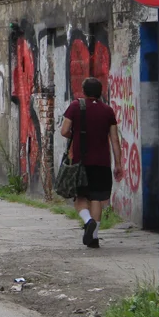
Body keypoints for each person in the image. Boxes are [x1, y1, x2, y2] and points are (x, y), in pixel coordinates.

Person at [60, 77, 124, 248]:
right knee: (97, 199)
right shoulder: (108, 111)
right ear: (100, 91)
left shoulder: (76, 106)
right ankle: (94, 238)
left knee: (81, 197)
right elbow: (115, 140)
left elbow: (64, 130)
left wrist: (76, 136)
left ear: (84, 91)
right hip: (102, 162)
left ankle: (88, 222)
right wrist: (118, 163)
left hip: (82, 162)